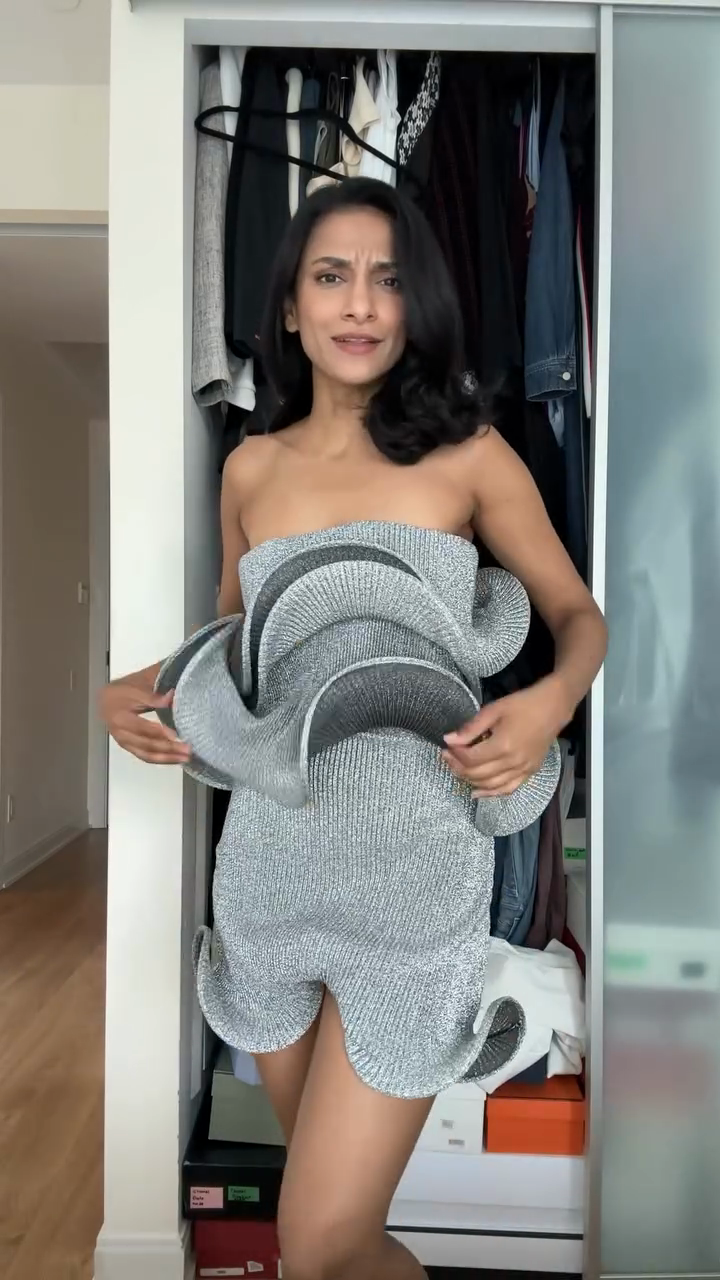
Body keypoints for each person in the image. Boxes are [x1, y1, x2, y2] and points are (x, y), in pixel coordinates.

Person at [100, 178, 606, 1280]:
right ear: (289, 306)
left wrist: (549, 701)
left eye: (388, 278)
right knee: (338, 1237)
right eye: (331, 276)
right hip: (270, 872)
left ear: (418, 306)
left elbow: (579, 617)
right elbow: (238, 650)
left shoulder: (470, 456)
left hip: (417, 878)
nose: (361, 303)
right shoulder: (251, 467)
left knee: (319, 1239)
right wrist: (120, 691)